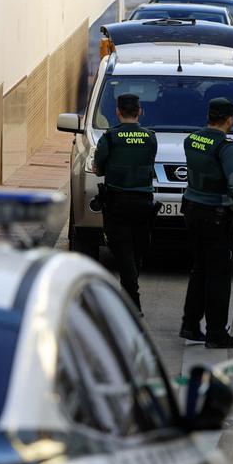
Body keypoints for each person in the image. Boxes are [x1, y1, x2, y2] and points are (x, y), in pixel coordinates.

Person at [180, 98, 233, 349]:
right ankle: (216, 333)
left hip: (192, 209)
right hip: (216, 214)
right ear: (229, 119)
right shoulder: (226, 147)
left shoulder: (192, 139)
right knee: (218, 275)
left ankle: (190, 325)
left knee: (199, 270)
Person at [94, 94, 158, 311]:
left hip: (117, 203)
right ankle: (129, 294)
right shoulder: (150, 137)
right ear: (140, 111)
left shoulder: (110, 138)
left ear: (118, 112)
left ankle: (132, 300)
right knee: (137, 250)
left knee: (123, 251)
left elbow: (98, 168)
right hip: (143, 203)